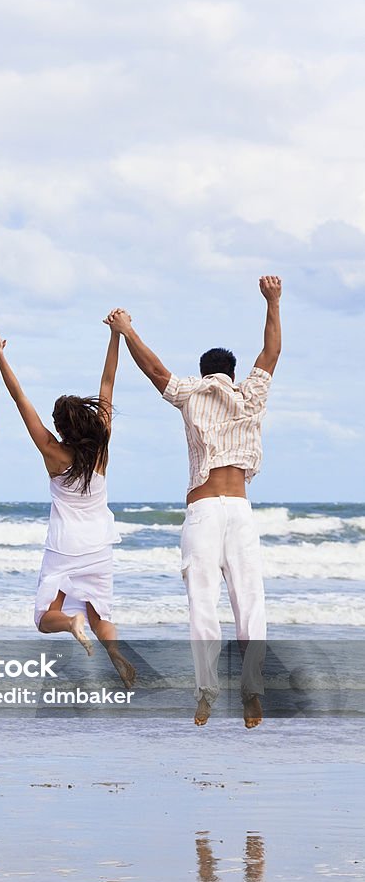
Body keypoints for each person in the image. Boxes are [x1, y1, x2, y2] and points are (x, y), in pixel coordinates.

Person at [105, 276, 282, 727]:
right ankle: (253, 690)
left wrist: (126, 331)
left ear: (204, 372)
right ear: (232, 371)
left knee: (202, 602)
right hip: (240, 510)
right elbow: (271, 352)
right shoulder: (251, 395)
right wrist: (273, 301)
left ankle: (206, 691)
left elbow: (154, 371)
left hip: (203, 512)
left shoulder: (191, 392)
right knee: (251, 602)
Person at [0, 330, 136, 689]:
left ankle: (70, 624)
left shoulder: (52, 452)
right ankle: (117, 655)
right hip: (98, 546)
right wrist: (116, 335)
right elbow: (108, 382)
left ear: (59, 428)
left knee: (45, 617)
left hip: (63, 546)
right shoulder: (101, 448)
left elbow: (19, 398)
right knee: (101, 616)